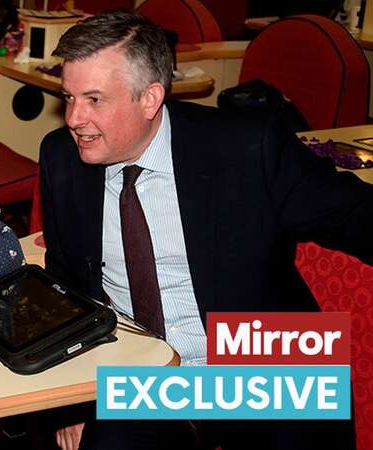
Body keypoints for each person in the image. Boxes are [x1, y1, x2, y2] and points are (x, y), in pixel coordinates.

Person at [39, 11, 372, 450]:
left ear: (150, 98)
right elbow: (64, 284)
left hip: (261, 359)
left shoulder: (248, 148)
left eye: (95, 99)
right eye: (69, 97)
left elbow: (357, 216)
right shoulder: (63, 159)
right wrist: (74, 405)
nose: (75, 118)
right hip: (142, 374)